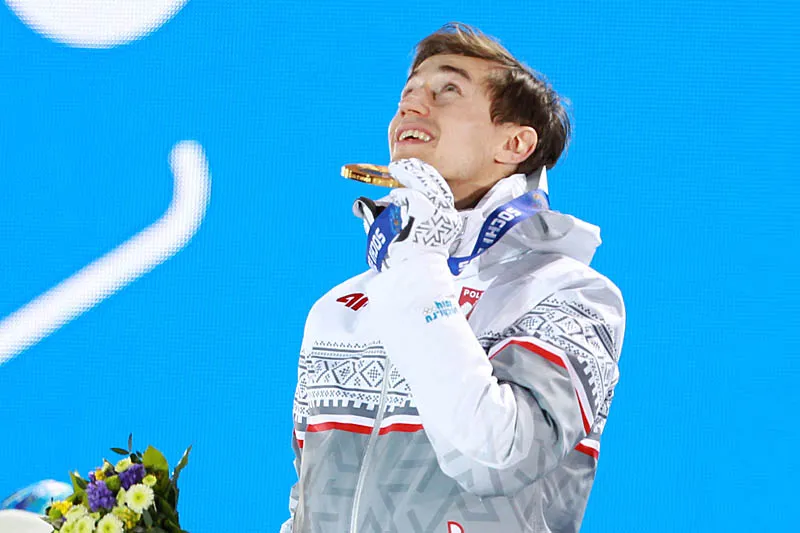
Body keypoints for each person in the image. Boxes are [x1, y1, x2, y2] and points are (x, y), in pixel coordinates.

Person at [281, 22, 626, 533]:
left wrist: (417, 263)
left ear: (514, 143)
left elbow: (498, 459)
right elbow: (306, 507)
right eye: (408, 93)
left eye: (447, 91)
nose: (412, 105)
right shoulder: (340, 308)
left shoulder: (571, 296)